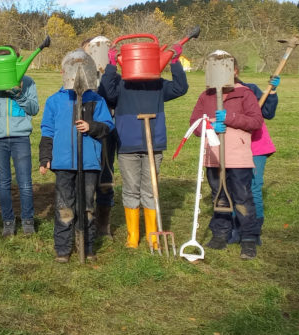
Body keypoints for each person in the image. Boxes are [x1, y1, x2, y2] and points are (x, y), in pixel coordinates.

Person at [98, 37, 188, 249]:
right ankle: (132, 236)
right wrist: (111, 67)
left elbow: (179, 88)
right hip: (128, 145)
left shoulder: (156, 83)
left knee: (150, 190)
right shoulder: (120, 85)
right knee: (131, 190)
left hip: (153, 145)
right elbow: (104, 93)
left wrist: (175, 63)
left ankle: (153, 236)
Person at [38, 50, 115, 263]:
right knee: (65, 206)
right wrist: (45, 157)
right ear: (64, 73)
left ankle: (87, 246)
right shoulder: (55, 101)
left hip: (89, 162)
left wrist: (92, 127)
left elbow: (108, 126)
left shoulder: (96, 100)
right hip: (63, 163)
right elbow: (47, 130)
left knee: (87, 206)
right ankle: (63, 249)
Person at [189, 51, 264, 259]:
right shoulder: (206, 96)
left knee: (242, 196)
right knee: (219, 196)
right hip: (214, 156)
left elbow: (256, 121)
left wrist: (231, 117)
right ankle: (221, 233)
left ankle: (248, 237)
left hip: (237, 156)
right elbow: (195, 125)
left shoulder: (245, 94)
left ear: (234, 71)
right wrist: (209, 123)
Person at [0, 47, 40, 237]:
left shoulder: (27, 82)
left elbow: (34, 108)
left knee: (25, 182)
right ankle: (8, 222)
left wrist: (19, 94)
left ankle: (28, 221)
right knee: (3, 182)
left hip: (20, 137)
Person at [231, 65, 281, 244]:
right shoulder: (217, 94)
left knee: (253, 187)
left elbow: (268, 112)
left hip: (256, 147)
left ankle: (253, 231)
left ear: (236, 70)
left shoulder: (251, 89)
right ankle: (236, 228)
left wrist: (272, 92)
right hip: (232, 147)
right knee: (233, 188)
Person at [82, 36, 118, 240]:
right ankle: (85, 220)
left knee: (105, 175)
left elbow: (112, 96)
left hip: (105, 131)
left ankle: (103, 225)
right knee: (85, 176)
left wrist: (109, 72)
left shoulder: (112, 75)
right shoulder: (80, 75)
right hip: (83, 132)